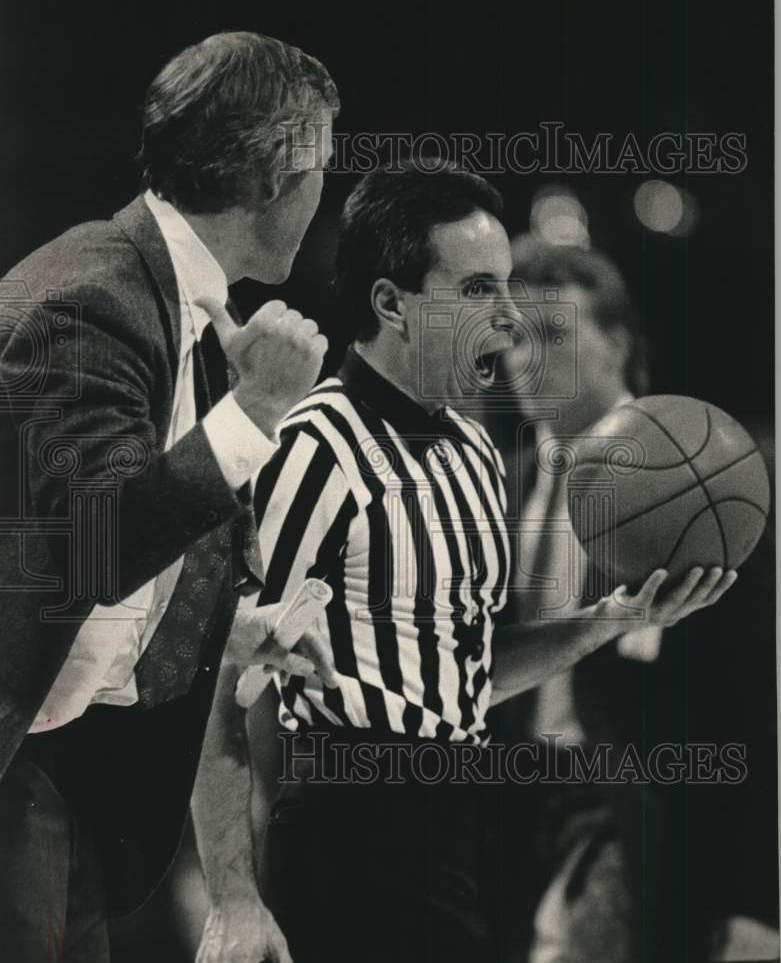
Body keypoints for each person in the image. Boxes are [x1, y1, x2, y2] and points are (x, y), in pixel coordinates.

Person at [192, 163, 736, 963]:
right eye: (479, 289)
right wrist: (235, 898)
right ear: (391, 304)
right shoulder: (313, 445)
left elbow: (465, 674)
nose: (510, 320)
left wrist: (602, 624)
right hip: (350, 827)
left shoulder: (477, 450)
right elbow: (216, 682)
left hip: (461, 825)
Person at [0, 30, 338, 962]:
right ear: (276, 176)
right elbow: (97, 546)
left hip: (59, 766)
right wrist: (259, 409)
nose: (326, 198)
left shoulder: (169, 297)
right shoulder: (94, 294)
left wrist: (227, 629)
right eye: (322, 171)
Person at [487, 235, 777, 963]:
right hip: (510, 811)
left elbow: (760, 696)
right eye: (512, 337)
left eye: (551, 333)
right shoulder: (498, 481)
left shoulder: (702, 471)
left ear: (615, 343)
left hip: (642, 814)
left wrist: (760, 900)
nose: (525, 357)